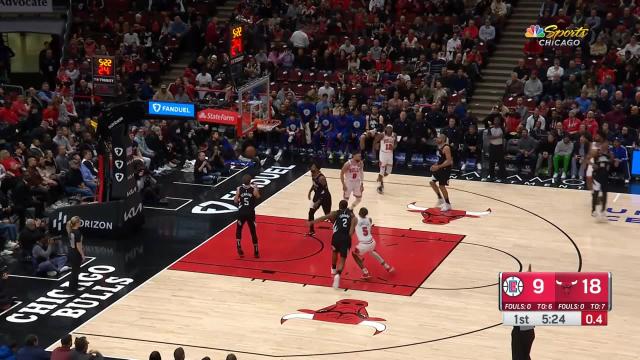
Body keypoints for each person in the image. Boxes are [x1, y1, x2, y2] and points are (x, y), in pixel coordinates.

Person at [308, 200, 356, 289]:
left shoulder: (335, 213)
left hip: (336, 236)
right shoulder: (352, 215)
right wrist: (349, 237)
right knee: (342, 258)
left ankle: (333, 269)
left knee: (334, 252)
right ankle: (338, 274)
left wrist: (312, 222)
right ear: (347, 206)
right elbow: (353, 229)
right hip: (345, 237)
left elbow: (324, 217)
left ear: (339, 206)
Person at [352, 207, 394, 279]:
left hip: (363, 245)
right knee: (372, 252)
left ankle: (366, 273)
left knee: (354, 254)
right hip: (372, 242)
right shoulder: (369, 219)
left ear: (359, 213)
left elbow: (354, 221)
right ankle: (387, 266)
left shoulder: (356, 220)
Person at [234, 174, 260, 258]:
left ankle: (238, 245)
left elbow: (235, 201)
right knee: (253, 232)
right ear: (250, 181)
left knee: (239, 229)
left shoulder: (238, 189)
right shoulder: (253, 189)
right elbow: (258, 196)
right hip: (250, 213)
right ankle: (256, 251)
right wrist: (256, 188)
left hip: (241, 213)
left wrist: (238, 198)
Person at [430, 134, 453, 211]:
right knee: (431, 182)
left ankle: (448, 204)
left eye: (438, 138)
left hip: (445, 169)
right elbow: (440, 159)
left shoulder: (446, 147)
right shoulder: (439, 146)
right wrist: (435, 165)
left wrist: (438, 167)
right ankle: (440, 198)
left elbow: (449, 161)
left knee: (442, 186)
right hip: (440, 167)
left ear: (442, 139)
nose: (437, 138)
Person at [307, 162, 331, 236]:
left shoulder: (321, 178)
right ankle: (312, 230)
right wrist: (310, 192)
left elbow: (325, 191)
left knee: (328, 215)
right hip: (317, 196)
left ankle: (340, 226)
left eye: (313, 166)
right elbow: (314, 184)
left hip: (325, 197)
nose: (311, 167)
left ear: (317, 168)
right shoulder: (313, 174)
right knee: (311, 212)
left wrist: (318, 201)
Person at [592, 141, 612, 221]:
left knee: (604, 194)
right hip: (597, 178)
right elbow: (594, 166)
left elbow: (610, 163)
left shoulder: (608, 155)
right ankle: (593, 210)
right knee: (595, 194)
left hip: (604, 177)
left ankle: (603, 210)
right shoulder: (596, 156)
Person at [374, 125, 396, 194]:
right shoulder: (382, 135)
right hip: (383, 154)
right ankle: (380, 186)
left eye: (390, 128)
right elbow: (375, 141)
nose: (389, 129)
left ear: (392, 129)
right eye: (388, 128)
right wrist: (374, 148)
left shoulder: (394, 135)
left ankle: (380, 178)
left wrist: (394, 147)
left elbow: (396, 143)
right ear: (385, 129)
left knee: (389, 171)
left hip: (390, 154)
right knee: (382, 171)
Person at [66, 216, 84, 293]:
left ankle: (75, 286)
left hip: (71, 251)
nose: (80, 223)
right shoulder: (77, 233)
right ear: (76, 223)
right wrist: (82, 255)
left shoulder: (70, 231)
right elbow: (78, 246)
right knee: (75, 271)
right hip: (76, 253)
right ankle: (72, 289)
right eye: (79, 222)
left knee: (75, 270)